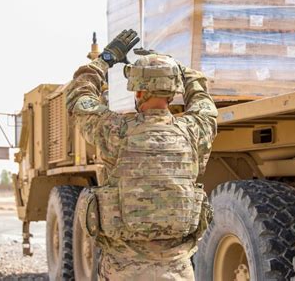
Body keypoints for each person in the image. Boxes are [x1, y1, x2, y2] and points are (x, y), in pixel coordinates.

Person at [66, 29, 218, 280]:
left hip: (122, 270)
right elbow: (203, 100)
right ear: (172, 92)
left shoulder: (115, 131)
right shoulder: (194, 130)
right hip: (178, 271)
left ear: (138, 92)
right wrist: (175, 67)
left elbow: (78, 95)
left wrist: (105, 59)